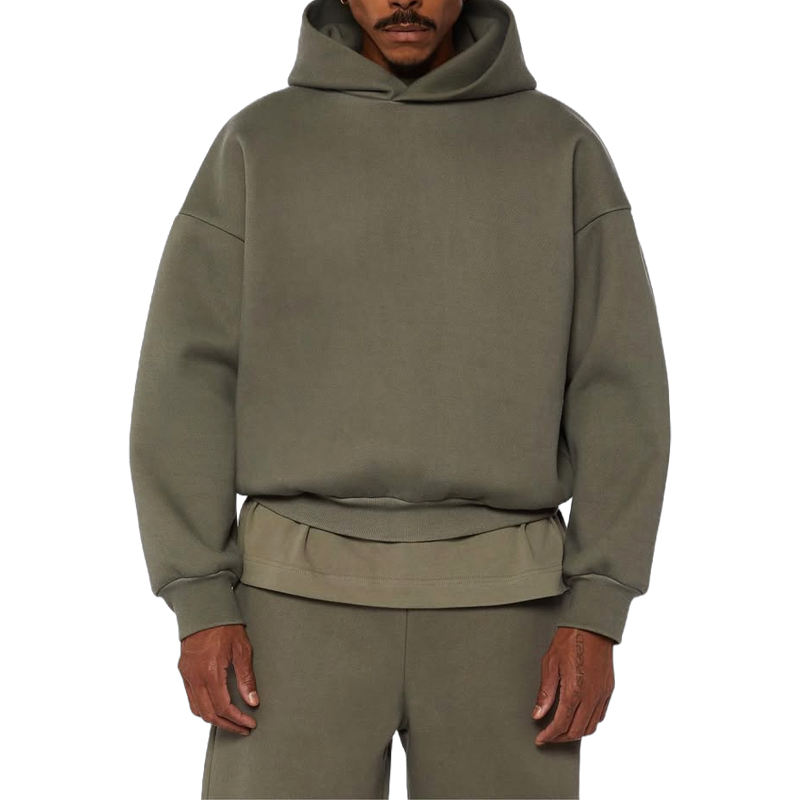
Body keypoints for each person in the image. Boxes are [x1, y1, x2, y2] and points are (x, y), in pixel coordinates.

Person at [128, 0, 671, 797]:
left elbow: (618, 388)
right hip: (289, 607)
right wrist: (199, 597)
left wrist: (598, 605)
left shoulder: (561, 148)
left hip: (509, 610)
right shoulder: (258, 145)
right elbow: (187, 378)